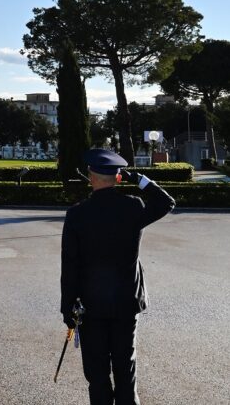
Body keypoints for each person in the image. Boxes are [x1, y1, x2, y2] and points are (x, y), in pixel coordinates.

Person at [61, 149, 175, 405]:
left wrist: (67, 309)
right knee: (126, 370)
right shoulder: (133, 206)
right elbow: (166, 202)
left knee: (98, 374)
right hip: (126, 302)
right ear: (119, 178)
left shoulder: (77, 214)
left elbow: (70, 266)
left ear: (91, 177)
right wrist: (142, 180)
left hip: (91, 306)